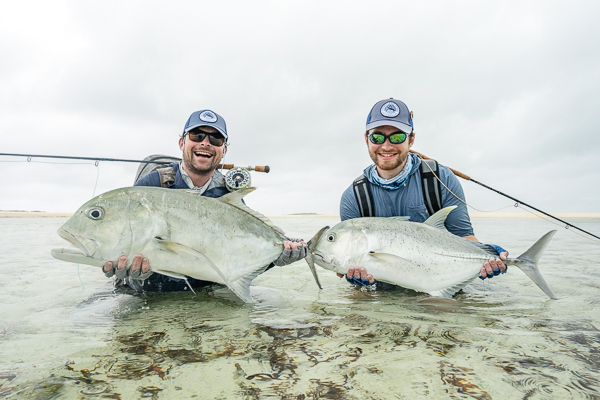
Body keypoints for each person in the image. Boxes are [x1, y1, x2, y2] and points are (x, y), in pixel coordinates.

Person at [102, 109, 307, 292]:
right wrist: (133, 276)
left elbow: (244, 255)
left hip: (205, 293)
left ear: (223, 150)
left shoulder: (226, 193)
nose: (205, 143)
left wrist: (277, 256)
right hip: (152, 294)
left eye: (216, 139)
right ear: (182, 142)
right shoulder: (153, 184)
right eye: (197, 135)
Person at [338, 98, 508, 289]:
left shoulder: (440, 178)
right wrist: (350, 274)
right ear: (366, 139)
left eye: (397, 137)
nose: (386, 146)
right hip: (381, 293)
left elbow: (464, 238)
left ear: (411, 139)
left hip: (437, 286)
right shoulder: (353, 196)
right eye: (377, 137)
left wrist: (486, 255)